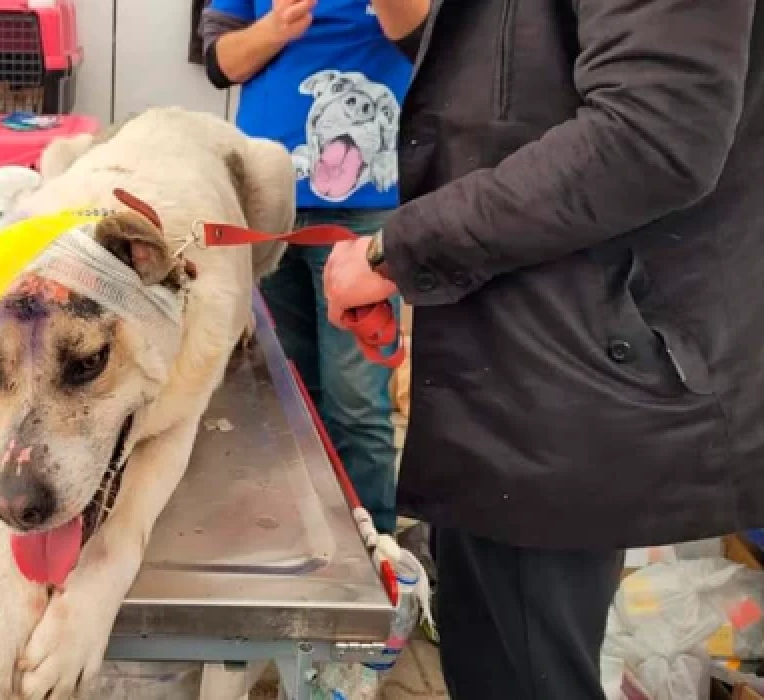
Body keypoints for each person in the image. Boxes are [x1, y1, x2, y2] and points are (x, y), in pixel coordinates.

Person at [322, 0, 764, 697]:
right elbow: (505, 83)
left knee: (524, 667)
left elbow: (653, 135)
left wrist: (399, 251)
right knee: (493, 653)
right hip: (514, 361)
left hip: (574, 369)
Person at [199, 0, 411, 535]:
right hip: (266, 197)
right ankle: (302, 535)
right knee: (282, 391)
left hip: (368, 206)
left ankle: (376, 546)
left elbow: (429, 37)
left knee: (357, 402)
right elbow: (220, 62)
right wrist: (274, 28)